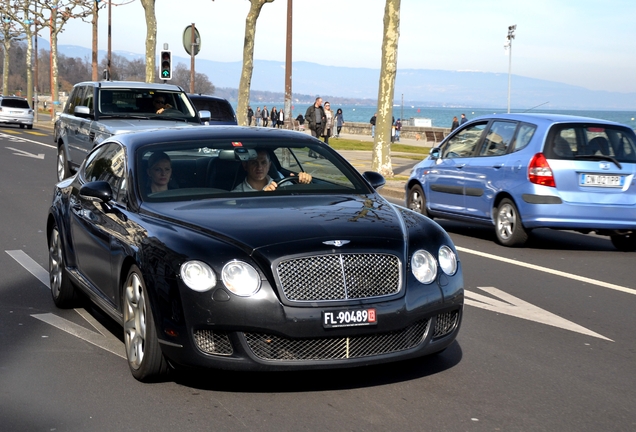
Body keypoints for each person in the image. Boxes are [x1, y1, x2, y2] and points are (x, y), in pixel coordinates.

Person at [233, 150, 312, 192]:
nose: (259, 167)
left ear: (269, 166)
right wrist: (263, 197)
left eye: (263, 163)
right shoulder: (237, 194)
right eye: (254, 163)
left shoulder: (284, 185)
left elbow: (301, 205)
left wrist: (303, 185)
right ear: (245, 166)